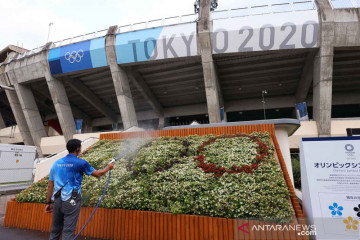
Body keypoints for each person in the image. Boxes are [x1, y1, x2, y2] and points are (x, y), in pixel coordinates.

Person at [45, 139, 114, 240]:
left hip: (58, 200)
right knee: (68, 231)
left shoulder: (56, 163)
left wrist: (48, 203)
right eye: (80, 147)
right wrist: (108, 167)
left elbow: (50, 185)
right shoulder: (81, 163)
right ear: (78, 148)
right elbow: (98, 174)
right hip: (72, 199)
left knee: (55, 229)